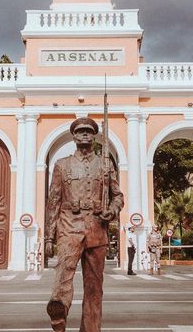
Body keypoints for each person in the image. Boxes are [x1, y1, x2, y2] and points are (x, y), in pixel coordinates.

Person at [44, 117, 124, 332]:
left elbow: (118, 196)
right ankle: (58, 308)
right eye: (80, 132)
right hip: (69, 227)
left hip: (97, 228)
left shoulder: (106, 165)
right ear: (74, 136)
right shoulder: (62, 165)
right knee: (63, 273)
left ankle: (90, 329)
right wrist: (49, 237)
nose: (85, 134)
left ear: (95, 135)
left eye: (89, 131)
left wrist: (112, 210)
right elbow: (53, 202)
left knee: (94, 287)